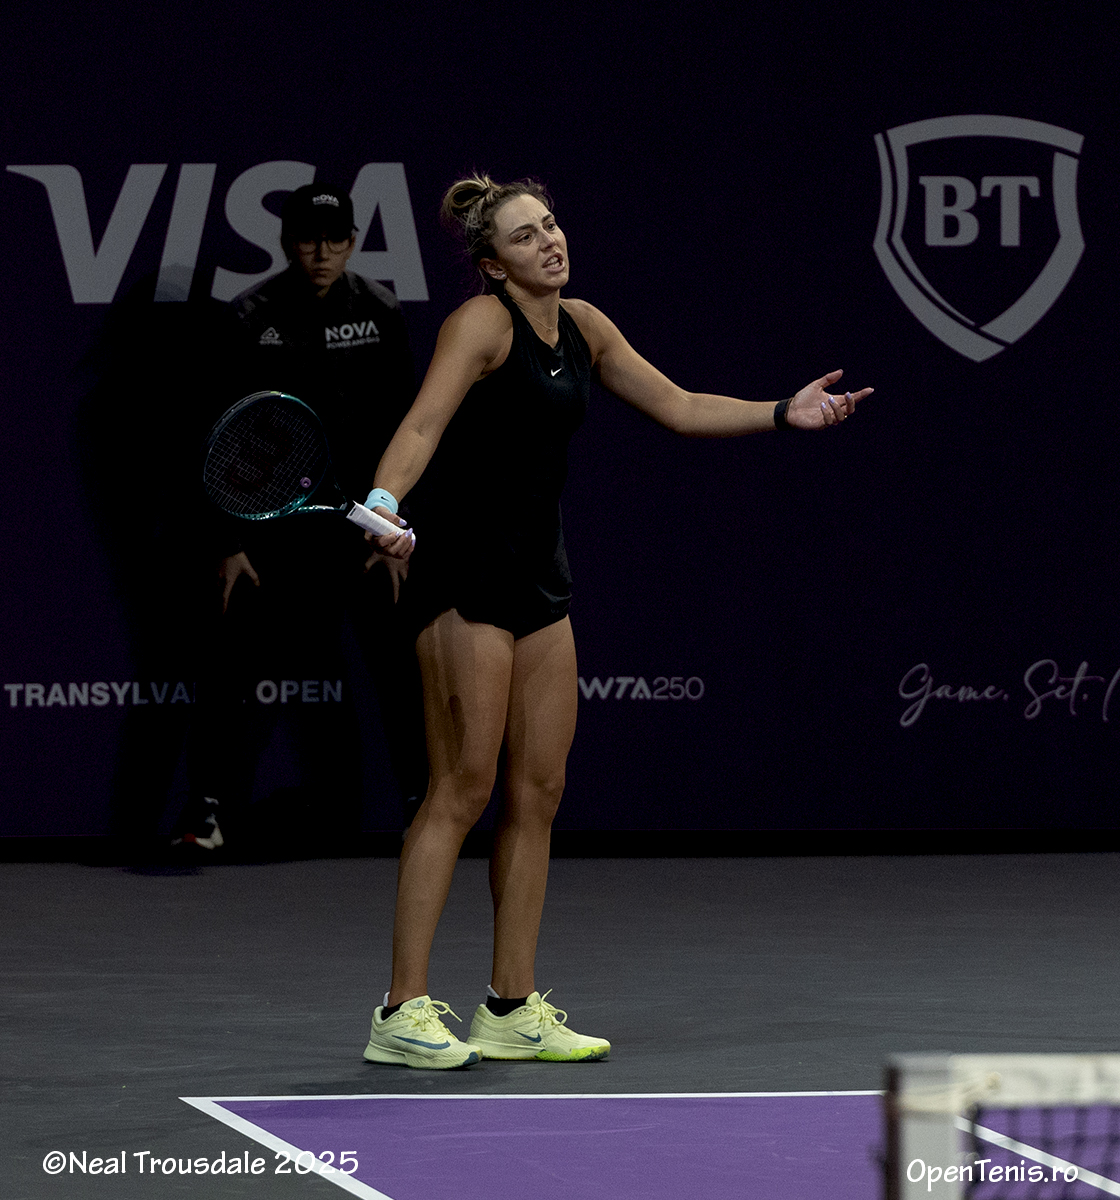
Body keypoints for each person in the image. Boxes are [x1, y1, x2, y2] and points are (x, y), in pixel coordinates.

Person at [359, 174, 872, 1069]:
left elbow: (679, 406)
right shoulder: (480, 325)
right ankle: (400, 1011)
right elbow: (422, 425)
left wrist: (782, 415)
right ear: (493, 264)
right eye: (525, 237)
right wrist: (382, 501)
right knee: (462, 788)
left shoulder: (586, 325)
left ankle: (509, 1007)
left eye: (551, 225)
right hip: (465, 575)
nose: (549, 242)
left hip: (538, 578)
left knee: (539, 791)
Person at [173, 183, 426, 852]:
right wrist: (228, 540)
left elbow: (410, 427)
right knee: (232, 668)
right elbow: (217, 432)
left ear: (352, 243)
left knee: (398, 670)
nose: (322, 252)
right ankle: (207, 811)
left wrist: (388, 530)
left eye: (336, 239)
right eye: (310, 240)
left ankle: (422, 806)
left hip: (358, 527)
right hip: (270, 528)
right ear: (288, 243)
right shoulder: (250, 316)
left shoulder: (379, 312)